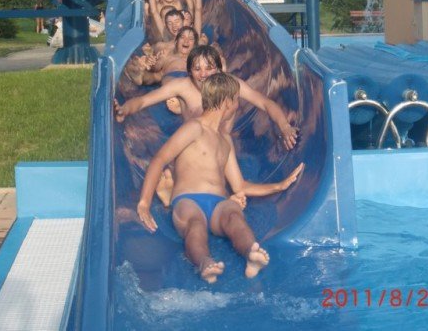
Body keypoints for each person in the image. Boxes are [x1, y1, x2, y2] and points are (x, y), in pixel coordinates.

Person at [137, 72, 304, 283]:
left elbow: (239, 185)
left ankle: (251, 253)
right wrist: (144, 203)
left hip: (218, 204)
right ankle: (204, 262)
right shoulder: (193, 128)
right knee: (195, 225)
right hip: (188, 200)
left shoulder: (225, 140)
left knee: (234, 215)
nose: (237, 106)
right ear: (227, 102)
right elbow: (160, 159)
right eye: (236, 100)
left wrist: (278, 186)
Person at [116, 45, 299, 206]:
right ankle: (175, 191)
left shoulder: (231, 85)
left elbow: (265, 103)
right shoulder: (182, 86)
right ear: (189, 71)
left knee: (230, 182)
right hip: (192, 147)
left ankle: (177, 195)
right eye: (197, 69)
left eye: (209, 68)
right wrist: (125, 109)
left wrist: (285, 127)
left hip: (221, 145)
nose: (203, 74)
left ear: (219, 69)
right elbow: (143, 101)